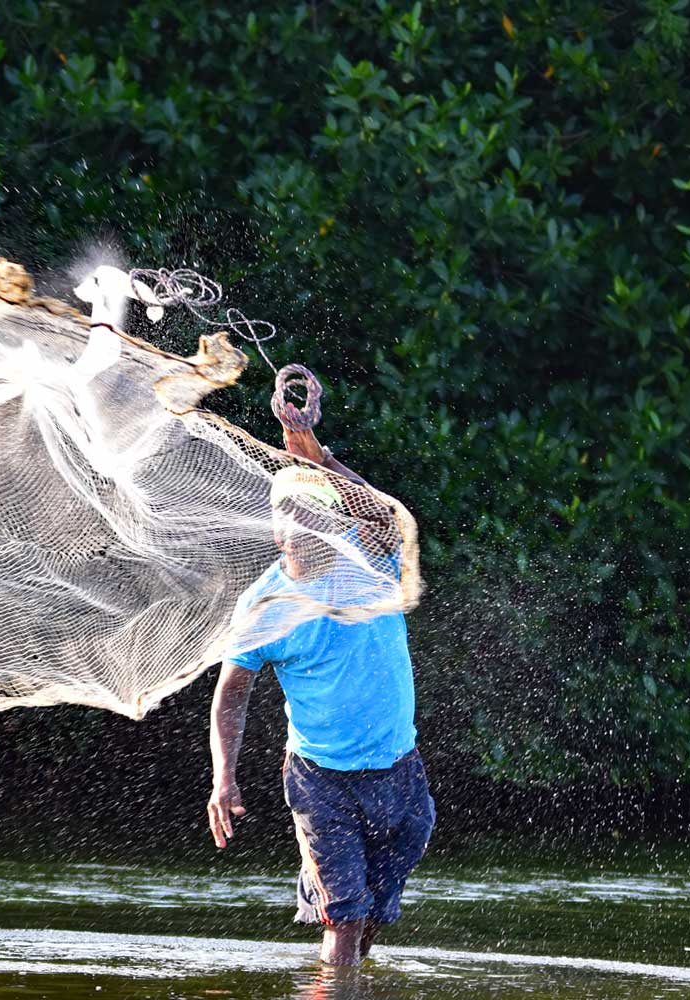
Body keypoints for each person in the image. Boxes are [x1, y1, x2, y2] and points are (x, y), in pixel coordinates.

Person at [205, 364, 434, 967]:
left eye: (315, 512)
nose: (302, 522)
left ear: (333, 520)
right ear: (275, 526)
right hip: (320, 778)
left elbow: (385, 510)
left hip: (400, 771)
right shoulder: (263, 605)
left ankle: (344, 978)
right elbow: (231, 694)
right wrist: (223, 777)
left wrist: (312, 450)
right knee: (345, 919)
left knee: (374, 918)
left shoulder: (372, 556)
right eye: (290, 512)